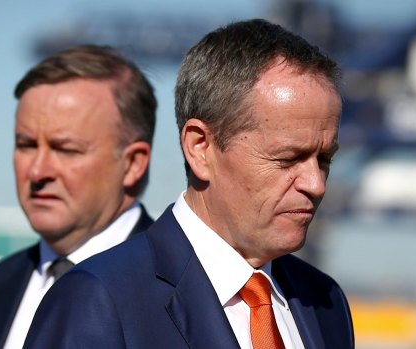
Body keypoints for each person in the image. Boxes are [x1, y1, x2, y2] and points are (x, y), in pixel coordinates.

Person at [24, 19, 354, 349]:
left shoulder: (325, 302)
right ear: (200, 148)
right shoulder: (97, 300)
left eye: (324, 159)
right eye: (288, 158)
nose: (316, 185)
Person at [0, 45, 157, 349]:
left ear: (133, 163)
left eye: (65, 149)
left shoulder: (186, 293)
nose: (37, 171)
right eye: (26, 145)